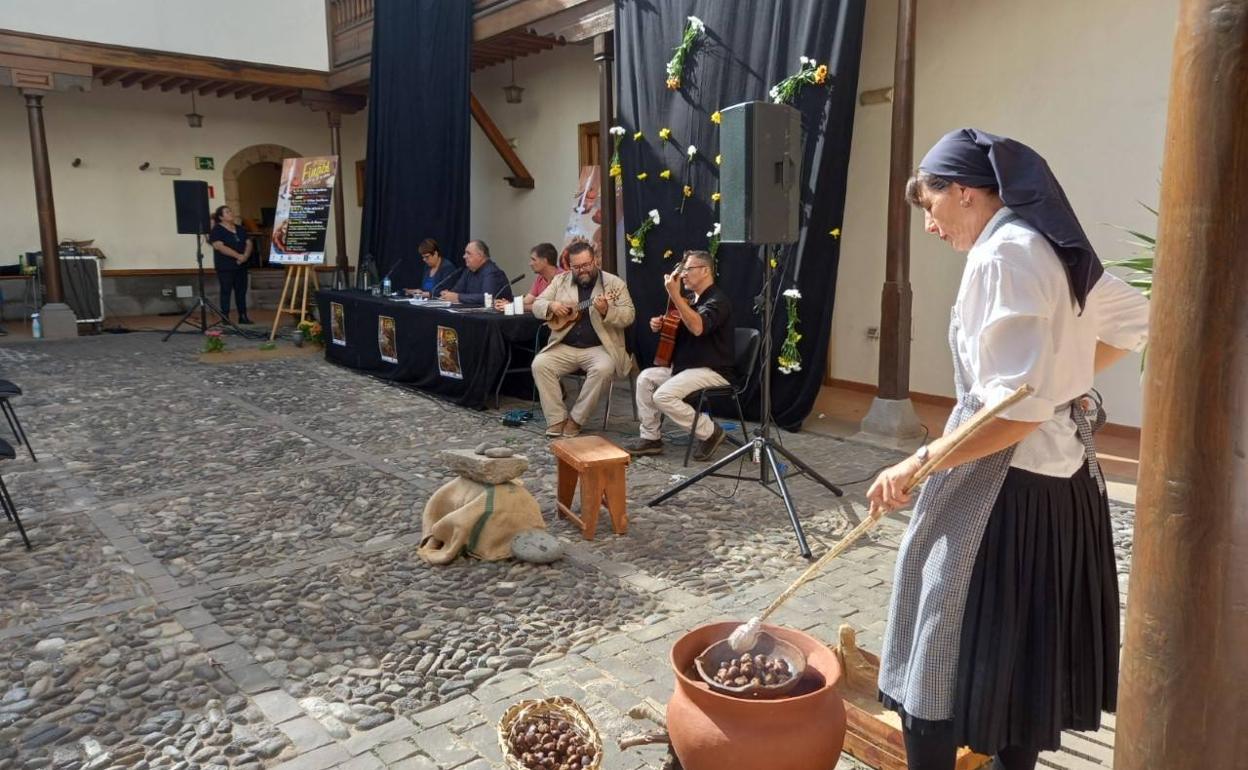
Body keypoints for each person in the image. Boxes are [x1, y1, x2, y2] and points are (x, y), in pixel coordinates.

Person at [866, 128, 1149, 770]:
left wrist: (917, 461)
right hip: (1064, 487)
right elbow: (1136, 322)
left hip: (1004, 490)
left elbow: (1013, 413)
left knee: (933, 642)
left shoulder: (1002, 256)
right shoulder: (1049, 244)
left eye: (932, 207)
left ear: (964, 193)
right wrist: (1064, 383)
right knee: (1027, 650)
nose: (931, 226)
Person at [622, 250, 735, 461]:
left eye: (688, 270)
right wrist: (663, 324)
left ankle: (710, 432)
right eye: (682, 270)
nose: (683, 275)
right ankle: (651, 438)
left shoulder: (718, 301)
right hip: (687, 367)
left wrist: (674, 295)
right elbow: (681, 324)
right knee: (645, 378)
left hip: (713, 369)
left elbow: (698, 327)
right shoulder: (692, 299)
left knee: (663, 396)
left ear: (705, 271)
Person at [531, 241, 635, 437]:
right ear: (570, 266)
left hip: (599, 347)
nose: (582, 270)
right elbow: (537, 305)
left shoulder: (614, 284)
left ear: (595, 261)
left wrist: (607, 311)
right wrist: (552, 306)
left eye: (586, 265)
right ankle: (556, 419)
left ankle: (576, 420)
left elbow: (629, 315)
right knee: (540, 364)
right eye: (577, 267)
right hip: (565, 345)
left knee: (604, 368)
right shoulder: (560, 281)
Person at [209, 205, 253, 324]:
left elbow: (248, 243)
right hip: (225, 266)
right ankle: (225, 317)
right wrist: (238, 256)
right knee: (226, 291)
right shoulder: (217, 230)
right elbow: (220, 247)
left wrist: (245, 256)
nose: (231, 213)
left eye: (230, 211)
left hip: (241, 265)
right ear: (221, 217)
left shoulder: (240, 229)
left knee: (241, 291)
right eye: (227, 212)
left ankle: (243, 316)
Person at [441, 240, 512, 306]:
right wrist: (448, 294)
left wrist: (458, 297)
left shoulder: (492, 272)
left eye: (468, 253)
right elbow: (456, 291)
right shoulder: (469, 270)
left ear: (480, 255)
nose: (464, 256)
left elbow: (486, 297)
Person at [495, 242, 563, 312]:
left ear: (545, 261)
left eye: (533, 259)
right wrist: (509, 304)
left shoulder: (563, 278)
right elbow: (527, 300)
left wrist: (514, 307)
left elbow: (547, 307)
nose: (530, 264)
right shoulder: (540, 278)